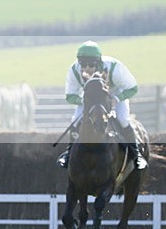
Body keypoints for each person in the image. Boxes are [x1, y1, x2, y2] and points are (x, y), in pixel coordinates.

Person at [57, 40, 148, 170]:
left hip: (115, 94)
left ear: (99, 62)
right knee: (75, 121)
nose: (86, 69)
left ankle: (136, 155)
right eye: (83, 64)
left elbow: (133, 88)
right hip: (91, 97)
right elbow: (69, 96)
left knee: (123, 119)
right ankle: (69, 153)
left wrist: (117, 98)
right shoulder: (74, 71)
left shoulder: (115, 68)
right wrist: (83, 101)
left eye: (91, 64)